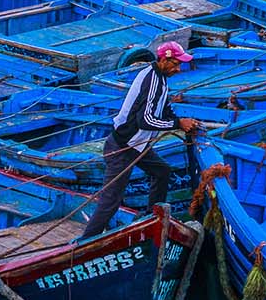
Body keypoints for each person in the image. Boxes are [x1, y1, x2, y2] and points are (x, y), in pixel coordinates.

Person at [82, 41, 196, 238]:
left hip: (138, 145)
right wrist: (177, 124)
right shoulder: (152, 80)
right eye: (176, 64)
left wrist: (180, 120)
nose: (178, 69)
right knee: (111, 199)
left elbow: (163, 108)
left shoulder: (161, 79)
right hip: (123, 146)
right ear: (164, 59)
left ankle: (152, 217)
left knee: (162, 171)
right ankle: (86, 241)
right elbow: (145, 120)